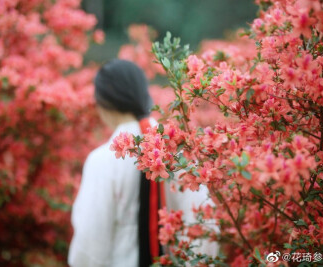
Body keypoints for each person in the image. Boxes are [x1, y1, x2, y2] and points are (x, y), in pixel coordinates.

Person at [68, 59, 217, 267]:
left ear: (103, 102)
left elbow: (89, 244)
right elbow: (205, 224)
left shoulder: (101, 161)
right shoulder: (180, 149)